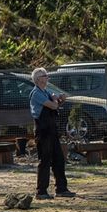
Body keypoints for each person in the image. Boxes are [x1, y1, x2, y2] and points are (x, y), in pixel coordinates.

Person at [29, 67, 73, 199]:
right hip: (43, 131)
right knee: (45, 160)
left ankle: (61, 189)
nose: (47, 77)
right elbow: (53, 106)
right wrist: (55, 100)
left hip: (52, 130)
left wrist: (60, 98)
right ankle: (41, 191)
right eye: (45, 75)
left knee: (59, 159)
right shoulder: (36, 93)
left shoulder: (46, 91)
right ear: (38, 79)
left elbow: (56, 100)